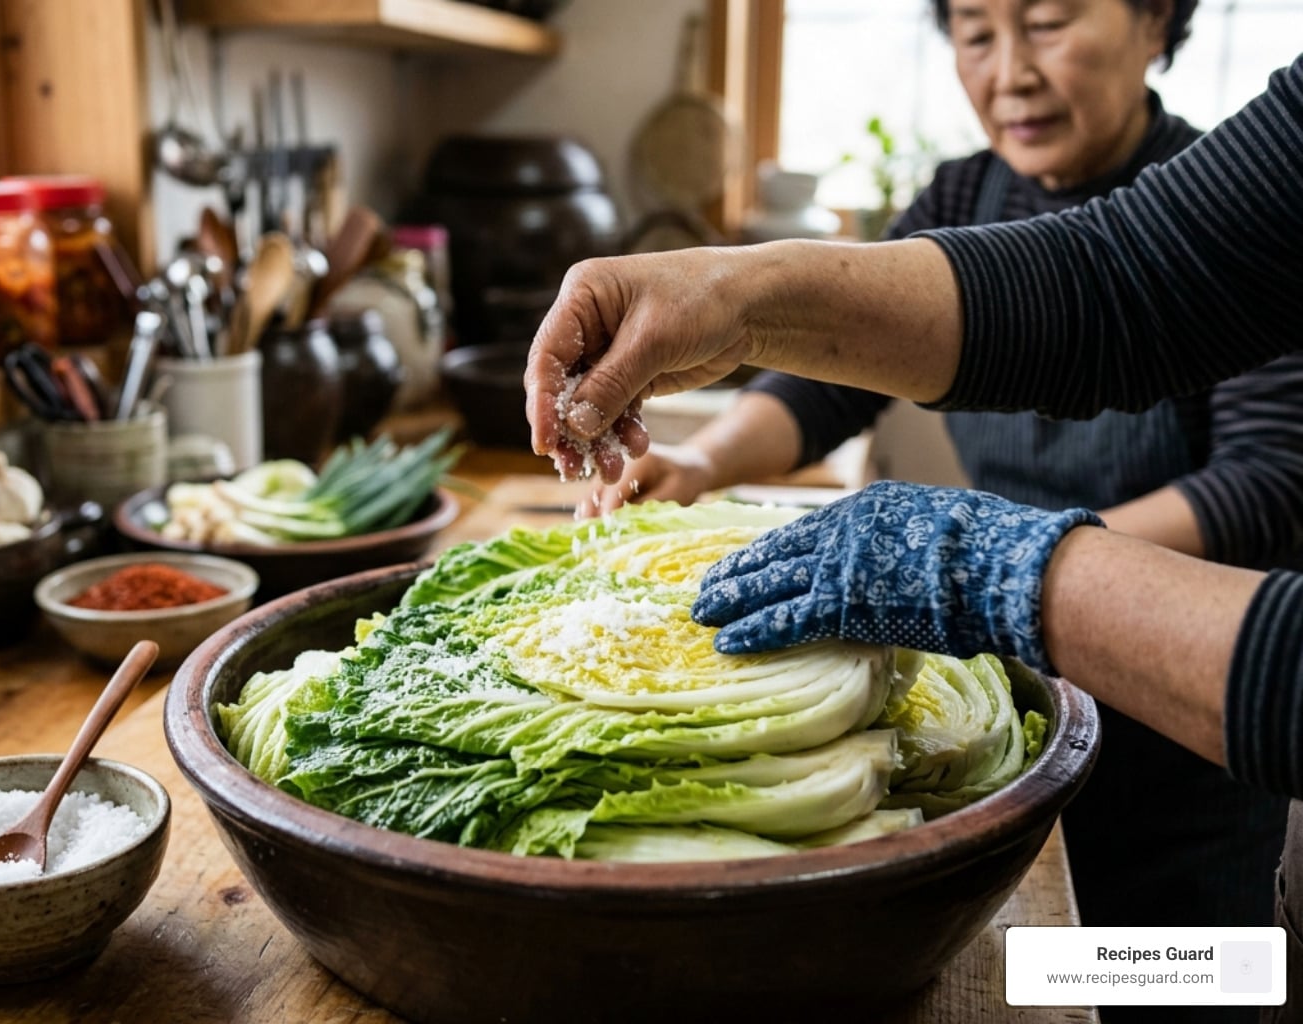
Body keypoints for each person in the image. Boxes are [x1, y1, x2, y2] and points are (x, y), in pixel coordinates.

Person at [525, 51, 1303, 1021]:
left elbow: (1264, 482)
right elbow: (1101, 286)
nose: (1012, 68)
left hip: (1192, 746)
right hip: (1037, 679)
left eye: (1049, 19)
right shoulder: (977, 194)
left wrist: (1006, 565)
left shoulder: (1213, 168)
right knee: (1027, 970)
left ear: (1155, 19)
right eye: (974, 28)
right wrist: (723, 360)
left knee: (1184, 987)